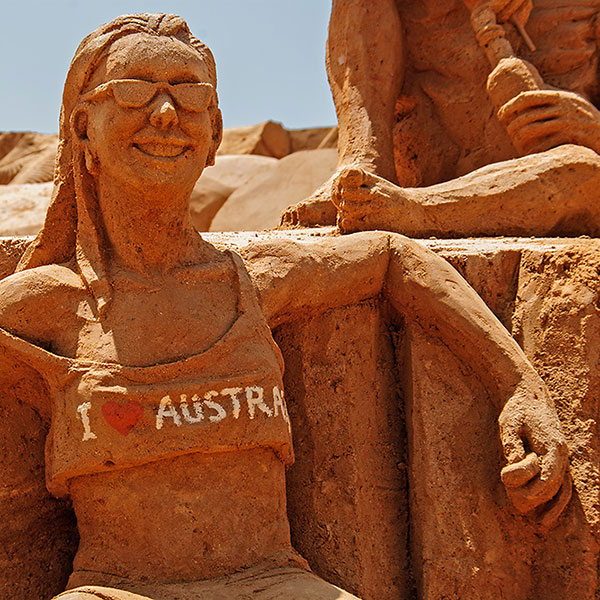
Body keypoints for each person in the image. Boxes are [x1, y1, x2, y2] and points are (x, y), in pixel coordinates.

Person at [0, 13, 570, 600]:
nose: (166, 115)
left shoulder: (253, 282)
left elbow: (396, 259)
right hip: (113, 592)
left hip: (272, 585)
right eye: (134, 91)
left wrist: (519, 387)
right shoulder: (49, 308)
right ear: (83, 129)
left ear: (217, 134)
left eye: (190, 95)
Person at [282, 0, 600, 238]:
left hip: (558, 163)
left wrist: (591, 127)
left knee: (582, 172)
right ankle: (364, 162)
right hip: (437, 143)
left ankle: (409, 210)